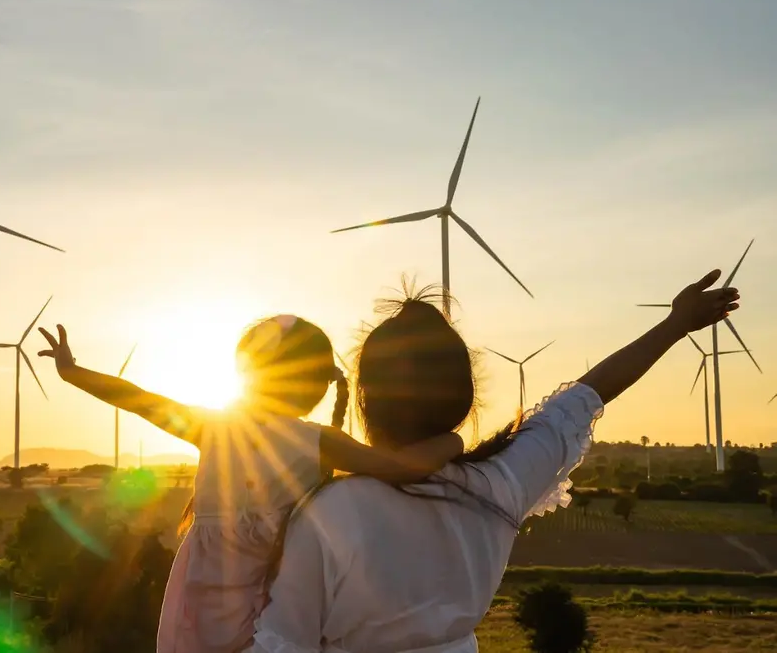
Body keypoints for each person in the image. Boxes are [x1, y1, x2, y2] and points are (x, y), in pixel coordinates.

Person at [253, 270, 740, 653]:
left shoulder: (329, 514)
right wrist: (676, 325)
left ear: (366, 398)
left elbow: (281, 644)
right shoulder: (498, 484)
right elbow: (588, 394)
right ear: (463, 398)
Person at [36, 315, 466, 653]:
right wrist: (452, 440)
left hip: (206, 598)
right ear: (314, 384)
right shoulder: (317, 441)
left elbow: (136, 399)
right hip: (274, 600)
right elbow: (399, 467)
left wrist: (73, 372)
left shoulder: (214, 426)